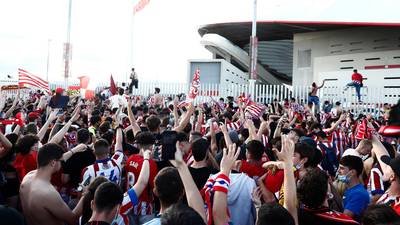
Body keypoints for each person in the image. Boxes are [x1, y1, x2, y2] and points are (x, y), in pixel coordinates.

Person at [19, 143, 86, 225]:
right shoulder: (48, 193)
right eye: (61, 161)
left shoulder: (28, 177)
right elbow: (72, 219)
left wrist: (75, 150)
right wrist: (84, 195)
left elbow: (55, 157)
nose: (62, 164)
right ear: (53, 163)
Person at [337, 155, 370, 221]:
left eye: (342, 168)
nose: (338, 171)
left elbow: (344, 219)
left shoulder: (358, 194)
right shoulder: (350, 188)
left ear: (352, 172)